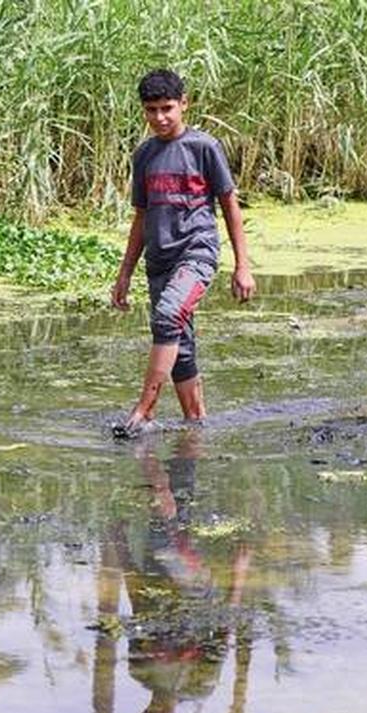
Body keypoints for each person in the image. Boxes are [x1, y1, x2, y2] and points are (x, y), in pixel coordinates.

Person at [111, 68, 256, 437]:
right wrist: (125, 272)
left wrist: (243, 266)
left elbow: (229, 205)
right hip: (158, 261)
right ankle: (196, 425)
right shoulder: (144, 154)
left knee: (167, 316)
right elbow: (141, 217)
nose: (159, 117)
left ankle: (144, 409)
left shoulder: (203, 147)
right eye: (151, 109)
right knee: (180, 348)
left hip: (197, 252)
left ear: (184, 104)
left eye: (167, 108)